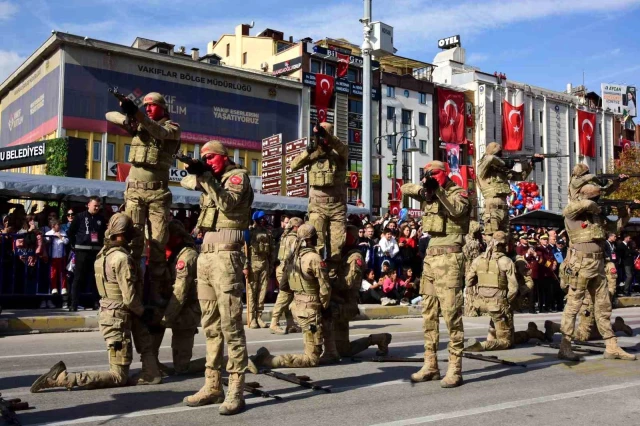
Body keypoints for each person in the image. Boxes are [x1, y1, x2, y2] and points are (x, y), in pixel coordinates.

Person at [30, 213, 161, 393]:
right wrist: (143, 312)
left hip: (114, 312)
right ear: (121, 234)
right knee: (118, 377)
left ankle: (151, 372)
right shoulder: (122, 259)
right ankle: (64, 378)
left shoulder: (103, 254)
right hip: (118, 315)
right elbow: (129, 297)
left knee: (144, 344)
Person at [180, 140, 252, 415]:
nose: (208, 161)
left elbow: (228, 203)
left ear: (224, 157)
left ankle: (236, 388)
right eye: (204, 158)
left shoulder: (237, 177)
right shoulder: (210, 178)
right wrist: (197, 171)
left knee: (231, 323)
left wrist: (207, 177)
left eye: (211, 158)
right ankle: (212, 385)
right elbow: (186, 183)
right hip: (206, 256)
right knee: (209, 323)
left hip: (227, 256)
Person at [107, 92, 181, 306]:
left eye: (152, 105)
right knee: (134, 241)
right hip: (135, 193)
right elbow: (108, 115)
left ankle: (156, 291)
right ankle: (134, 290)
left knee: (158, 243)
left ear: (163, 108)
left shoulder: (172, 128)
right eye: (145, 105)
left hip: (158, 194)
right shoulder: (137, 124)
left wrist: (138, 114)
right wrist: (128, 114)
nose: (148, 108)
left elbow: (157, 130)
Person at [401, 161, 469, 388]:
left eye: (435, 174)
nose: (432, 176)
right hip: (430, 259)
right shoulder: (428, 194)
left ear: (445, 174)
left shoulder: (458, 192)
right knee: (429, 313)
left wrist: (438, 190)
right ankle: (430, 364)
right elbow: (403, 189)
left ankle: (455, 368)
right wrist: (424, 188)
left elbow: (457, 210)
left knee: (451, 314)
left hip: (450, 258)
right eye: (428, 173)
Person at [557, 185, 636, 361]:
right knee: (573, 306)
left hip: (598, 264)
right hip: (581, 264)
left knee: (603, 306)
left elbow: (615, 228)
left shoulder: (596, 217)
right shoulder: (573, 213)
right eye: (596, 199)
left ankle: (611, 345)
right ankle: (565, 345)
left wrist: (625, 213)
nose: (597, 203)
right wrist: (594, 203)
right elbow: (571, 208)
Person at [251, 224, 330, 369]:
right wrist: (324, 305)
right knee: (312, 359)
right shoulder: (313, 258)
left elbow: (285, 285)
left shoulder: (293, 256)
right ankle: (269, 360)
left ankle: (332, 352)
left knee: (321, 334)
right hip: (310, 309)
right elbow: (325, 288)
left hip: (298, 306)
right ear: (312, 238)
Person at [320, 226, 392, 363]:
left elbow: (348, 284)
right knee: (344, 350)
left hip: (346, 304)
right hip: (340, 301)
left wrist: (328, 281)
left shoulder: (354, 257)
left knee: (324, 312)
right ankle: (379, 339)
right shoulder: (342, 255)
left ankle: (324, 352)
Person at [290, 123, 348, 279]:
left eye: (325, 135)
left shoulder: (340, 153)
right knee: (316, 243)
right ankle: (316, 275)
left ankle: (333, 276)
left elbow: (341, 147)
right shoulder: (313, 154)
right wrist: (308, 151)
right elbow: (293, 165)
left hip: (337, 206)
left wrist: (328, 137)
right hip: (317, 206)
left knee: (337, 245)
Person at [150, 220, 200, 375]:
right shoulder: (170, 253)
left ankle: (221, 362)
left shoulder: (187, 257)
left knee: (182, 367)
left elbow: (180, 291)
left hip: (186, 311)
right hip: (171, 306)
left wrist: (165, 319)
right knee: (151, 357)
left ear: (176, 236)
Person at [464, 231, 519, 352]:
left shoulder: (478, 259)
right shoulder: (506, 261)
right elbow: (514, 288)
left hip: (481, 303)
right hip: (498, 304)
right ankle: (481, 346)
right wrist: (506, 302)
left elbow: (468, 282)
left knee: (497, 319)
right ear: (504, 244)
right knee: (506, 341)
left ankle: (491, 337)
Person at [476, 142, 540, 239]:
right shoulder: (484, 168)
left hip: (504, 207)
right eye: (499, 154)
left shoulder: (501, 170)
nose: (501, 156)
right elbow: (489, 158)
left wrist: (530, 163)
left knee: (505, 238)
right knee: (493, 238)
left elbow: (520, 176)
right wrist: (504, 162)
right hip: (492, 207)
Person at [67, 196, 107, 311]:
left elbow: (103, 234)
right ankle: (73, 304)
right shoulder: (80, 217)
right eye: (95, 205)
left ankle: (95, 303)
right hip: (82, 251)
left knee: (96, 278)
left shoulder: (101, 218)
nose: (96, 208)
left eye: (98, 206)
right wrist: (74, 245)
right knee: (78, 278)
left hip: (95, 252)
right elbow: (70, 232)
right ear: (88, 205)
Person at [270, 217, 304, 335]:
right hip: (287, 270)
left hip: (283, 268)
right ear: (296, 227)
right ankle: (274, 323)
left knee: (289, 297)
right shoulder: (294, 239)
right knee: (284, 296)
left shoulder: (285, 236)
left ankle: (290, 323)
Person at [247, 210, 274, 328]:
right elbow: (245, 250)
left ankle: (259, 317)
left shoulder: (268, 233)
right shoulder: (250, 232)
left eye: (264, 218)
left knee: (262, 292)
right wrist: (245, 266)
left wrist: (271, 265)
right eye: (261, 219)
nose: (263, 220)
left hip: (264, 264)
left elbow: (272, 250)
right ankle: (251, 318)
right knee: (252, 291)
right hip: (253, 264)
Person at [463, 220, 484, 317]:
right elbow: (465, 252)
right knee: (470, 287)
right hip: (469, 265)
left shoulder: (478, 239)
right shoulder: (466, 238)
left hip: (478, 265)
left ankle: (479, 307)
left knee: (478, 287)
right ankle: (470, 308)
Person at [45, 220, 69, 297]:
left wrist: (60, 237)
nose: (59, 226)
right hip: (53, 256)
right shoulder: (48, 233)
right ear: (53, 226)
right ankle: (54, 288)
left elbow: (66, 241)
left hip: (62, 256)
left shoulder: (63, 232)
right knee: (53, 273)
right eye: (57, 225)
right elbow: (46, 242)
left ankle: (63, 288)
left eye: (59, 224)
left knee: (63, 272)